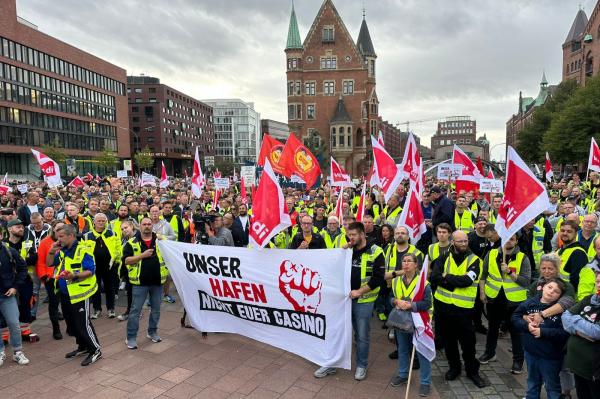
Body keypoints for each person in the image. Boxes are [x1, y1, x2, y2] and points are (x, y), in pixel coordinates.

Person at [314, 222, 385, 381]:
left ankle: (361, 365)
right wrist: (341, 251)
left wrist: (359, 292)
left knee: (361, 335)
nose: (350, 238)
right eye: (349, 235)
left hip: (363, 301)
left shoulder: (376, 251)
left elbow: (378, 278)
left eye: (353, 235)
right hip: (344, 299)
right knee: (337, 331)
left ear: (362, 234)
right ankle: (332, 363)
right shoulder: (347, 250)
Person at [430, 230, 488, 387]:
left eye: (465, 241)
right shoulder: (443, 257)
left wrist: (446, 277)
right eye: (460, 241)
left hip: (464, 310)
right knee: (449, 342)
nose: (464, 243)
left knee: (468, 344)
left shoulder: (475, 260)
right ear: (452, 241)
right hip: (443, 308)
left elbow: (467, 281)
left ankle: (472, 372)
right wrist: (449, 281)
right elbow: (434, 278)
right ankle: (454, 367)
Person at [47, 224, 101, 366]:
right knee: (72, 324)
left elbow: (90, 271)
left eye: (61, 237)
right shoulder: (63, 250)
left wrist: (73, 276)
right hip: (66, 294)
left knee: (83, 323)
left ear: (70, 235)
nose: (58, 240)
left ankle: (95, 350)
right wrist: (51, 252)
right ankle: (82, 346)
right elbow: (49, 264)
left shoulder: (83, 250)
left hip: (80, 293)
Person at [479, 234, 531, 374]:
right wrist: (482, 293)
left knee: (516, 332)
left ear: (516, 241)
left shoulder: (522, 258)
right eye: (507, 238)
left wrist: (509, 272)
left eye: (512, 239)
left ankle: (518, 361)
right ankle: (489, 353)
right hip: (494, 299)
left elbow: (526, 281)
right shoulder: (491, 254)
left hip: (514, 302)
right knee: (493, 328)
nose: (509, 241)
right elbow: (483, 275)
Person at [512, 279, 570, 399]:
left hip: (550, 357)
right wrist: (526, 326)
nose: (551, 292)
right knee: (532, 382)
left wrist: (543, 332)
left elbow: (564, 333)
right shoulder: (530, 303)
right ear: (543, 287)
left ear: (560, 296)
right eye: (549, 287)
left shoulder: (561, 311)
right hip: (530, 353)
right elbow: (515, 317)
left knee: (552, 386)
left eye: (556, 291)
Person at [388, 253, 432, 396]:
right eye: (404, 261)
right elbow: (389, 298)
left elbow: (427, 303)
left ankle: (425, 382)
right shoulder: (395, 281)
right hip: (402, 321)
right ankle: (403, 375)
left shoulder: (423, 283)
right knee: (402, 349)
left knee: (422, 352)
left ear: (416, 265)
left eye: (409, 261)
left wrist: (411, 305)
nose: (406, 264)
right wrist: (396, 301)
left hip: (419, 322)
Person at [122, 217, 168, 349]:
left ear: (152, 226)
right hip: (139, 283)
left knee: (156, 310)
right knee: (135, 311)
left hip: (158, 282)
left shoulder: (161, 241)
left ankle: (152, 332)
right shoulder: (132, 242)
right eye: (144, 224)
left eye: (149, 224)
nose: (147, 226)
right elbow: (126, 261)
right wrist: (142, 255)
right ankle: (130, 337)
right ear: (140, 226)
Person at [562, 272, 600, 399]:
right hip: (577, 365)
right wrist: (578, 331)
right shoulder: (588, 299)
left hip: (594, 370)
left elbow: (596, 332)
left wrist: (575, 319)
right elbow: (565, 317)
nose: (598, 286)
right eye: (597, 282)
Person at [84, 213, 121, 319]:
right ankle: (97, 309)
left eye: (103, 221)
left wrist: (116, 261)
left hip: (109, 266)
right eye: (98, 221)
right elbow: (84, 251)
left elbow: (118, 249)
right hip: (94, 267)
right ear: (94, 222)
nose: (101, 223)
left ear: (106, 222)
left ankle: (111, 309)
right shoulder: (87, 236)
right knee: (96, 288)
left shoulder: (112, 233)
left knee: (110, 288)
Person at [0, 239, 30, 366]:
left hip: (7, 296)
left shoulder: (9, 251)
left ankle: (17, 352)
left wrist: (15, 287)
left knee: (14, 324)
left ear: (1, 235)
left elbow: (23, 268)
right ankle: (1, 351)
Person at [36, 220, 64, 340]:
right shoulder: (45, 242)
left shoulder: (68, 240)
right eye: (58, 229)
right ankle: (56, 329)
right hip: (51, 278)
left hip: (66, 276)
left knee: (67, 303)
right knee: (54, 303)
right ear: (53, 229)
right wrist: (44, 277)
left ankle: (71, 327)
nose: (60, 232)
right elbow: (41, 261)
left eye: (63, 229)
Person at [557, 220, 589, 291]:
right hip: (556, 292)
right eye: (562, 230)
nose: (565, 233)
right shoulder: (559, 251)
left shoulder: (578, 253)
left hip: (569, 296)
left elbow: (575, 281)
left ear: (576, 234)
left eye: (569, 231)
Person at [117, 220, 137, 321]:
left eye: (126, 227)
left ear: (132, 226)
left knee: (134, 293)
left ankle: (133, 312)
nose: (124, 230)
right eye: (122, 229)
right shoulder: (124, 239)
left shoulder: (137, 238)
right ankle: (131, 311)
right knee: (130, 292)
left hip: (136, 270)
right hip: (127, 270)